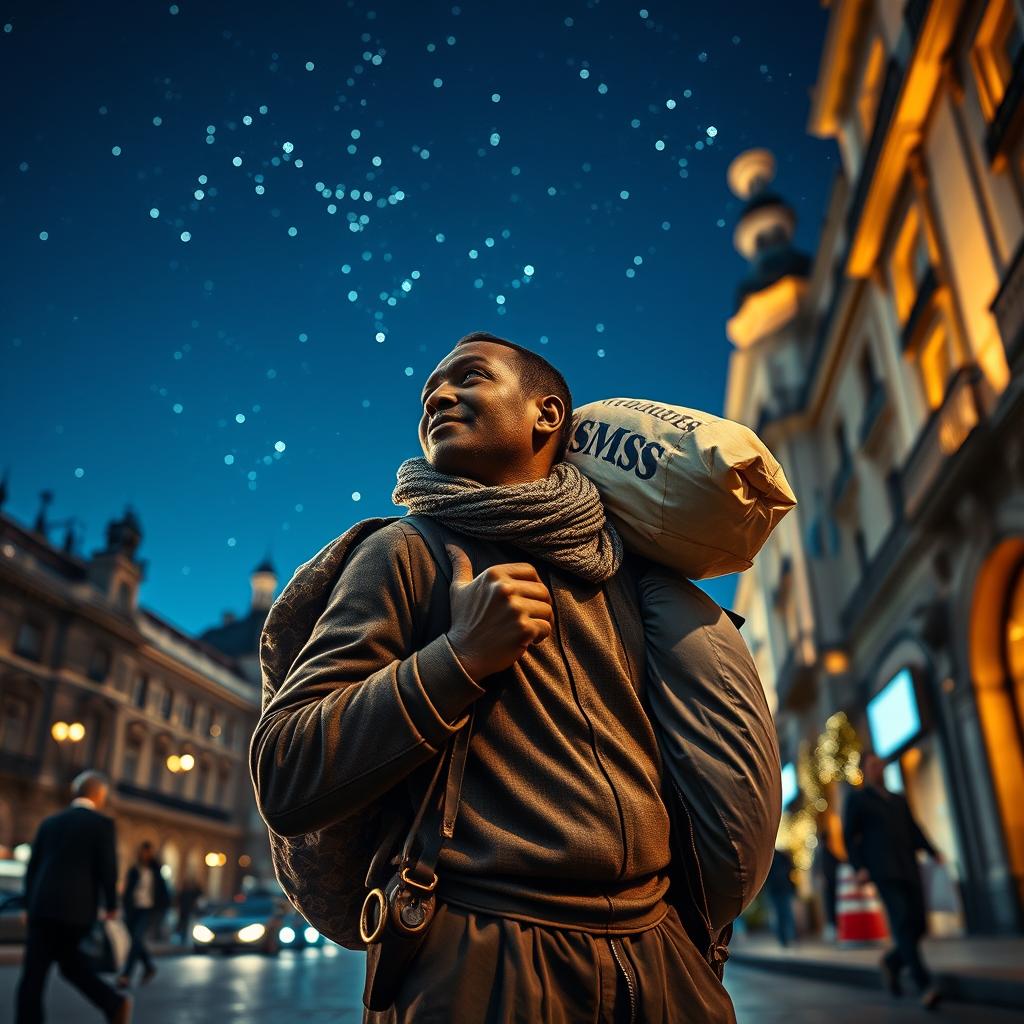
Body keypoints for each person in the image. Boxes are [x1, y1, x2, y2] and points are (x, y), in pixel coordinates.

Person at [252, 331, 743, 1022]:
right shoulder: (404, 553)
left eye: (468, 378)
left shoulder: (632, 580)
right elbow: (286, 771)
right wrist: (457, 660)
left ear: (547, 415)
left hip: (664, 961)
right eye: (428, 394)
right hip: (483, 961)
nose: (438, 397)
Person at [15, 770, 132, 1024]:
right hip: (75, 912)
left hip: (42, 908)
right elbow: (107, 870)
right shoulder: (102, 825)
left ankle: (112, 1004)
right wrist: (111, 904)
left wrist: (27, 904)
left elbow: (33, 868)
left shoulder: (50, 822)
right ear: (100, 796)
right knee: (71, 965)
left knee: (34, 976)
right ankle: (113, 1003)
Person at [843, 752, 944, 1011]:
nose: (880, 768)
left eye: (881, 764)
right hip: (884, 871)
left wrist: (933, 852)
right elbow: (849, 837)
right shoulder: (858, 800)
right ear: (865, 771)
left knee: (918, 924)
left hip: (909, 867)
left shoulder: (898, 799)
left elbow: (914, 828)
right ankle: (925, 986)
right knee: (901, 923)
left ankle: (893, 962)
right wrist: (859, 867)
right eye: (874, 765)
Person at [116, 841, 169, 989]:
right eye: (144, 851)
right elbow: (127, 891)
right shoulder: (134, 870)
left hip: (148, 910)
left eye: (148, 851)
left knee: (136, 940)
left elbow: (163, 893)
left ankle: (126, 975)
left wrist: (160, 911)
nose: (146, 854)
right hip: (133, 910)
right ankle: (149, 967)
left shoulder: (156, 871)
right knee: (135, 941)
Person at [764, 848, 797, 948]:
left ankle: (786, 939)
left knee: (782, 914)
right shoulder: (781, 856)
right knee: (785, 914)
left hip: (778, 889)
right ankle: (787, 939)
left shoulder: (770, 857)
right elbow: (791, 868)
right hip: (779, 889)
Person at [174, 876, 203, 944]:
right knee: (182, 924)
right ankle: (180, 938)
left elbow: (199, 894)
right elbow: (178, 900)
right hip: (184, 910)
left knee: (185, 925)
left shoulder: (192, 892)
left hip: (187, 910)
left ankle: (183, 939)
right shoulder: (184, 892)